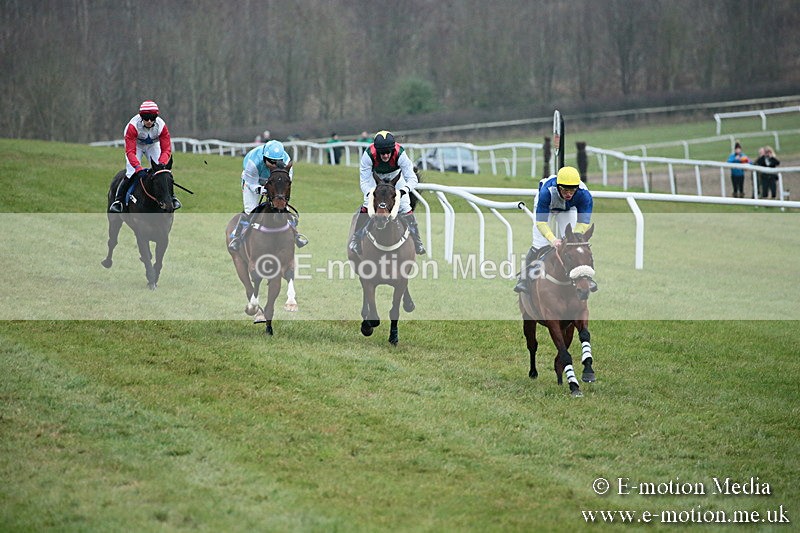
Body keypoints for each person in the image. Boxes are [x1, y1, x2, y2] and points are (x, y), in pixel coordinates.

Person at [514, 166, 596, 293]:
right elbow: (541, 222)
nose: (568, 194)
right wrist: (552, 240)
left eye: (572, 190)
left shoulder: (584, 195)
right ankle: (523, 279)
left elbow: (583, 221)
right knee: (539, 244)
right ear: (558, 187)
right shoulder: (546, 192)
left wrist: (575, 236)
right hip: (547, 206)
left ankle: (586, 277)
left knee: (576, 244)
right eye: (565, 190)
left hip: (568, 209)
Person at [349, 130, 426, 255]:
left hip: (396, 176)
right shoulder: (368, 155)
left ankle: (417, 241)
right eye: (382, 153)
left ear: (392, 149)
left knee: (405, 205)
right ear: (376, 150)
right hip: (376, 177)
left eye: (388, 152)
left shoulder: (400, 153)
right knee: (366, 204)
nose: (385, 155)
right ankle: (356, 239)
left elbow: (412, 179)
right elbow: (364, 182)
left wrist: (403, 191)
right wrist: (371, 194)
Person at [228, 140, 308, 251]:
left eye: (277, 162)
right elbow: (251, 183)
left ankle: (296, 235)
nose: (274, 165)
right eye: (271, 162)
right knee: (250, 210)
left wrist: (278, 195)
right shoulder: (253, 162)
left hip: (274, 182)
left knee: (284, 208)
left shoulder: (287, 161)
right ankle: (237, 237)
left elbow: (286, 183)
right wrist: (261, 190)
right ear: (264, 158)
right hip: (253, 182)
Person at [110, 100, 180, 213]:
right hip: (135, 146)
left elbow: (166, 149)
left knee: (162, 172)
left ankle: (171, 198)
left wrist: (162, 162)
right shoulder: (133, 126)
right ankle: (118, 202)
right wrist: (138, 168)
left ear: (156, 117)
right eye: (145, 117)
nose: (148, 121)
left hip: (152, 145)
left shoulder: (161, 126)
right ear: (141, 116)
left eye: (152, 117)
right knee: (131, 171)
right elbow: (130, 152)